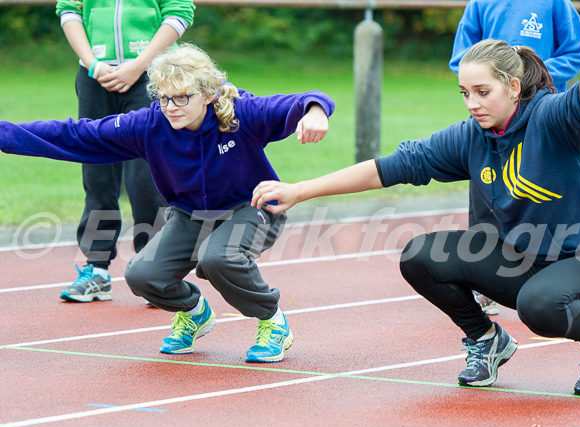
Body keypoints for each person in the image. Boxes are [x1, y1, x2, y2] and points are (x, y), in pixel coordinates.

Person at [252, 18, 580, 395]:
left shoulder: (550, 119)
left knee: (540, 306)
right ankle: (485, 339)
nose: (472, 104)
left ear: (513, 87)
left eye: (482, 92)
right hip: (522, 261)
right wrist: (300, 190)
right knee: (421, 256)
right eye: (464, 93)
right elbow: (389, 168)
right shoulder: (471, 136)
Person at [0, 44, 335, 363]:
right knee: (142, 275)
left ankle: (272, 321)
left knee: (219, 258)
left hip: (252, 206)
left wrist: (316, 112)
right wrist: (5, 134)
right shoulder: (150, 125)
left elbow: (308, 100)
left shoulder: (241, 114)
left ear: (207, 94)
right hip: (190, 214)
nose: (171, 106)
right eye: (164, 98)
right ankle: (193, 313)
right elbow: (78, 134)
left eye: (181, 98)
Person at [449, 0, 580, 316]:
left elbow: (576, 53)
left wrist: (528, 75)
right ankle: (485, 284)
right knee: (487, 199)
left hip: (542, 116)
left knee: (547, 198)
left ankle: (564, 278)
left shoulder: (555, 4)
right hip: (494, 120)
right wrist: (489, 81)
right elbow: (461, 57)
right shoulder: (480, 5)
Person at [55, 0, 195, 303]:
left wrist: (140, 64)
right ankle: (97, 268)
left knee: (146, 177)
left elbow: (180, 12)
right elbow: (69, 11)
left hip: (150, 75)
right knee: (97, 176)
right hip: (94, 76)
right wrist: (92, 63)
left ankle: (157, 270)